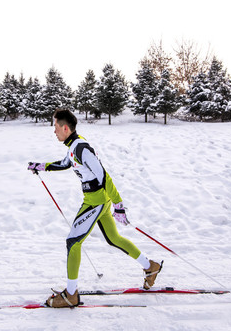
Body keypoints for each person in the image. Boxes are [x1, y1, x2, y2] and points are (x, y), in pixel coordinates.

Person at [28, 109, 162, 308]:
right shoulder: (74, 145)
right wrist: (42, 166)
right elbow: (66, 163)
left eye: (55, 127)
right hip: (97, 199)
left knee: (73, 242)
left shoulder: (81, 147)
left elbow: (103, 175)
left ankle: (71, 294)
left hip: (96, 201)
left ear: (65, 128)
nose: (54, 131)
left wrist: (119, 205)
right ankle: (150, 266)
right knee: (114, 239)